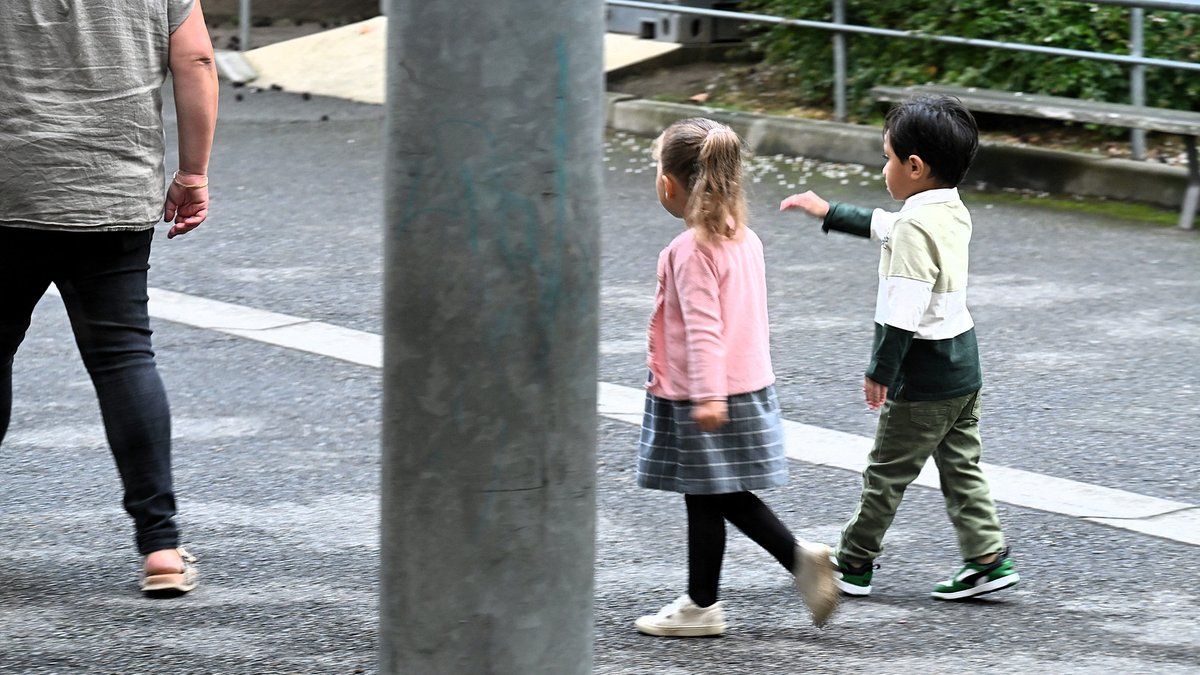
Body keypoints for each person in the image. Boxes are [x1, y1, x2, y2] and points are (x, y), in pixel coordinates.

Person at [0, 0, 218, 595]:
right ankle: (162, 548)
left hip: (7, 186)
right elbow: (196, 57)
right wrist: (193, 173)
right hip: (110, 187)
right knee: (123, 357)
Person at [779, 95, 1019, 601]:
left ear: (914, 166)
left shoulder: (915, 224)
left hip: (925, 374)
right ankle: (987, 558)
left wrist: (881, 369)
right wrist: (830, 212)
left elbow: (901, 308)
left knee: (886, 472)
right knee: (961, 466)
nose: (883, 168)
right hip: (963, 368)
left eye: (887, 158)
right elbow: (889, 227)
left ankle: (853, 561)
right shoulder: (950, 210)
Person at [634, 118, 837, 637]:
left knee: (718, 494)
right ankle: (702, 604)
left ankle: (795, 558)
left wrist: (706, 395)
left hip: (705, 393)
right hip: (746, 386)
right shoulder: (745, 240)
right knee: (706, 494)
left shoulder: (691, 251)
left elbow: (704, 329)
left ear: (670, 184)